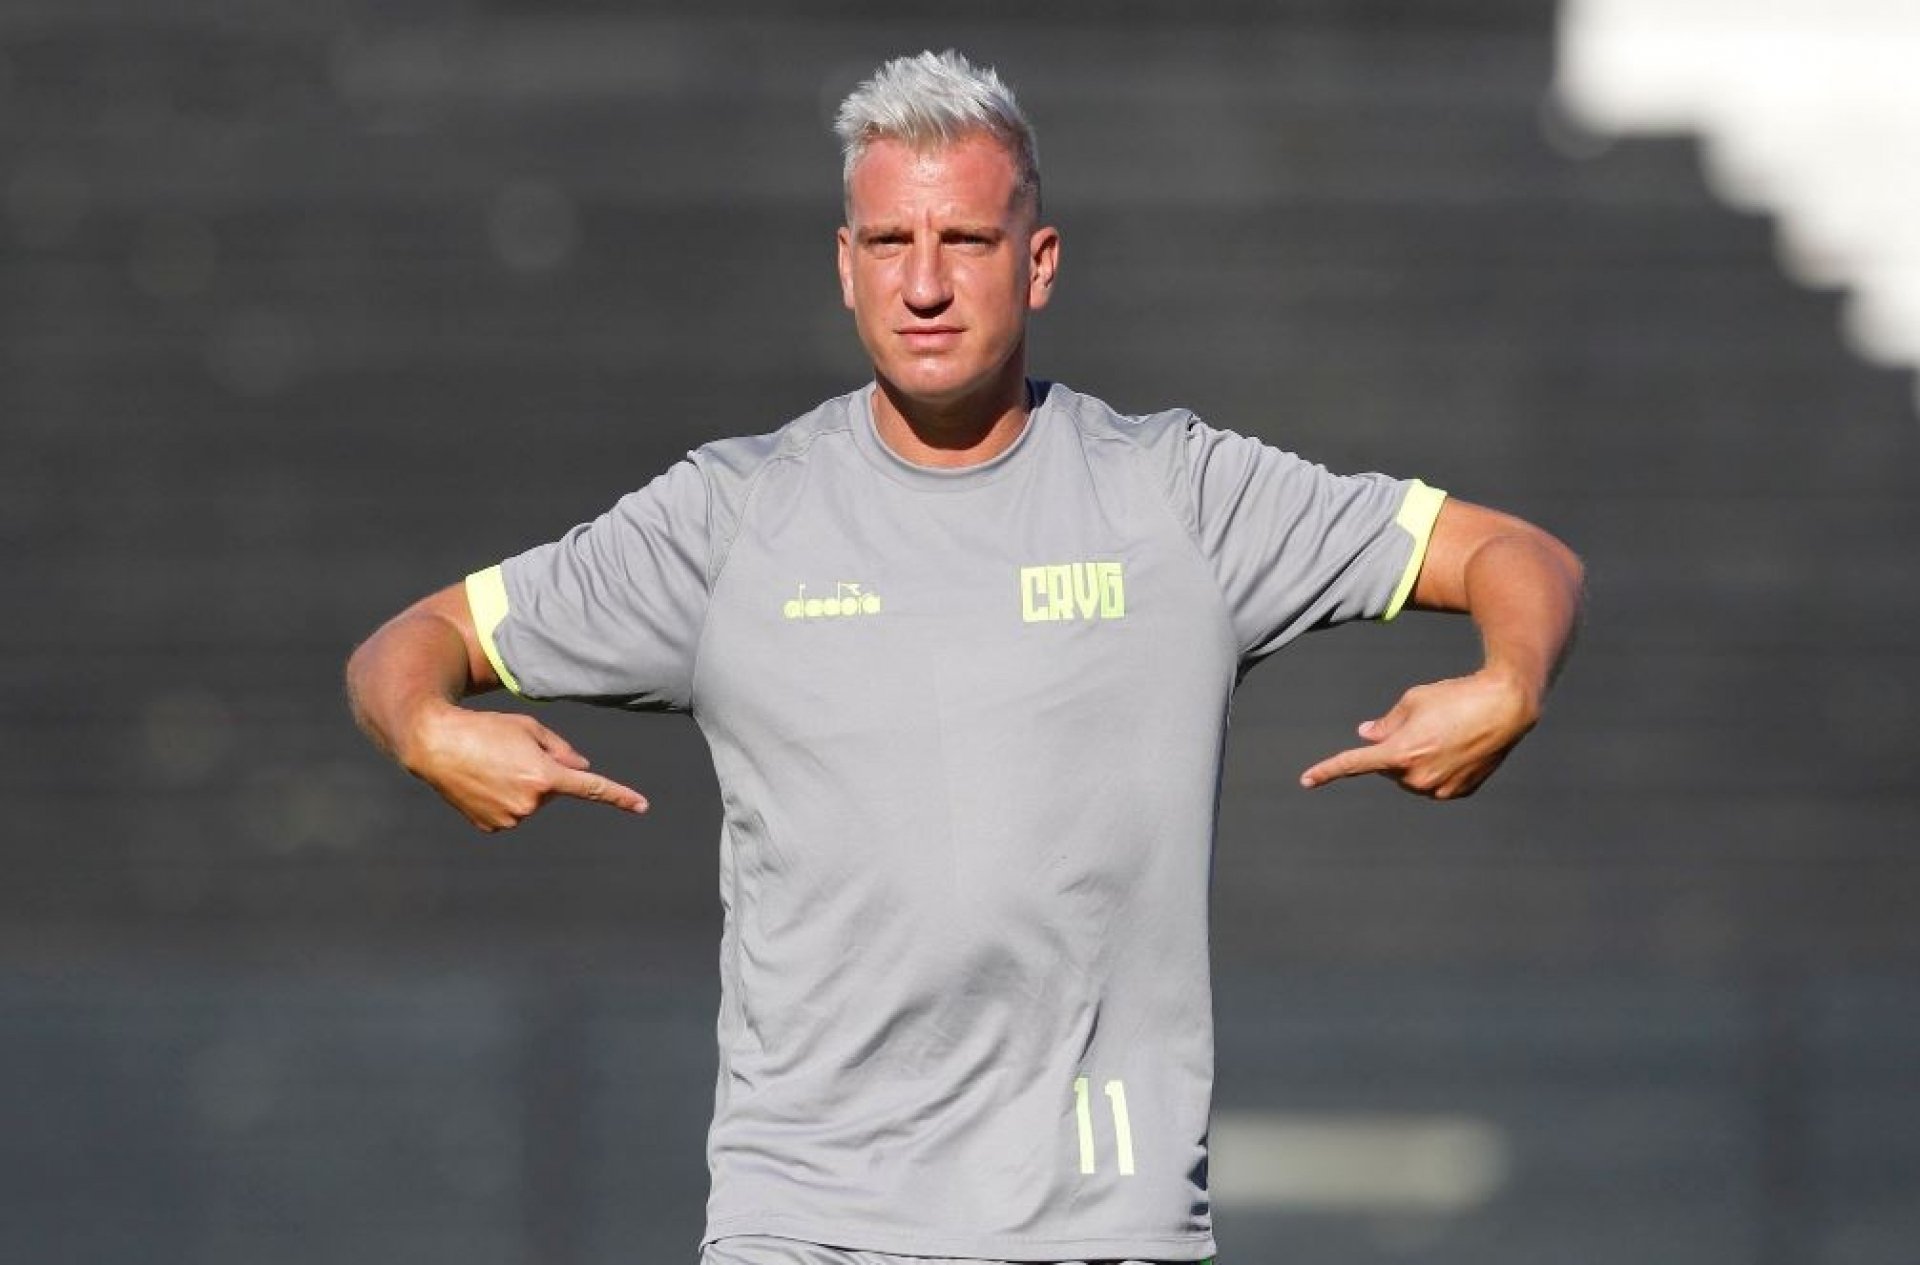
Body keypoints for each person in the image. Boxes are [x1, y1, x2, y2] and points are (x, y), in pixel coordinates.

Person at [347, 49, 1583, 1265]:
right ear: (846, 265)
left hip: (1100, 1221)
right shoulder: (730, 519)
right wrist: (423, 724)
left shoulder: (1180, 496)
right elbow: (412, 642)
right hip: (805, 1224)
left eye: (968, 241)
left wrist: (1512, 681)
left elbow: (1518, 554)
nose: (925, 284)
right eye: (891, 243)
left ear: (1038, 263)